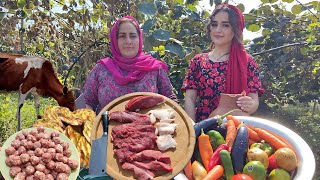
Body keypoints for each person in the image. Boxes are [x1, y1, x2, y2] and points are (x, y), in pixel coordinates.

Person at [182, 4, 265, 122]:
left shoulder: (247, 62)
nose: (218, 30)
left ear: (236, 29)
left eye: (225, 25)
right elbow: (190, 98)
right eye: (214, 24)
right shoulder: (198, 61)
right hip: (203, 129)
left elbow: (254, 101)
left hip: (233, 129)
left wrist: (250, 105)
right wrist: (191, 128)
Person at [83, 16, 177, 113]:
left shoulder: (155, 69)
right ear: (115, 40)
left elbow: (171, 100)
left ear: (139, 39)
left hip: (150, 127)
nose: (128, 41)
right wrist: (92, 126)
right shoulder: (101, 69)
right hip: (105, 127)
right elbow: (87, 102)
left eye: (132, 36)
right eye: (122, 36)